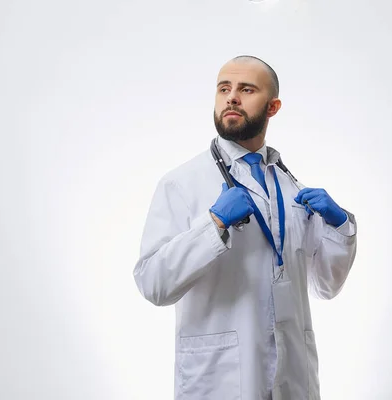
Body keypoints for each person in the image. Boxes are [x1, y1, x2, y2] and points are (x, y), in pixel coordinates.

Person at [133, 55, 357, 400]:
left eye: (246, 89)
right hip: (220, 379)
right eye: (224, 88)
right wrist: (214, 223)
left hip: (293, 377)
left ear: (273, 106)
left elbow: (326, 286)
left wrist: (341, 227)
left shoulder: (291, 189)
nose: (231, 97)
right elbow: (153, 283)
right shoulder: (182, 184)